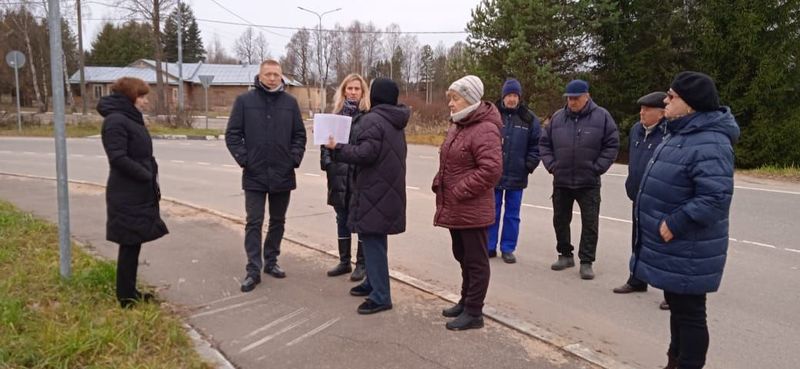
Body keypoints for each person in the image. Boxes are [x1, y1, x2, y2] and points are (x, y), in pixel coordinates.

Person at [632, 72, 739, 369]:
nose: (666, 101)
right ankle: (673, 363)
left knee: (690, 314)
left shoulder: (711, 142)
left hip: (689, 245)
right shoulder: (682, 132)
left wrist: (675, 223)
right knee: (678, 309)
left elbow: (715, 197)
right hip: (676, 246)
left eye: (672, 96)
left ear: (690, 105)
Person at [324, 77, 409, 315]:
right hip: (385, 190)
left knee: (373, 244)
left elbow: (366, 153)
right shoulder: (394, 119)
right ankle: (372, 283)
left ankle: (381, 296)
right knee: (375, 242)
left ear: (377, 95)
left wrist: (337, 148)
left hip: (375, 191)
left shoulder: (374, 119)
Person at [225, 59, 307, 293]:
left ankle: (271, 261)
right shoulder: (244, 101)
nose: (272, 78)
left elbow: (299, 135)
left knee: (278, 221)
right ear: (260, 76)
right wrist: (245, 159)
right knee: (254, 221)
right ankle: (253, 269)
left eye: (276, 74)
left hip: (283, 173)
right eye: (268, 74)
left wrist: (293, 158)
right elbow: (232, 135)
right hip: (255, 173)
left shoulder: (290, 103)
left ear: (282, 77)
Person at [433, 75, 502, 330]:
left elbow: (491, 169)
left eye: (455, 98)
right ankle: (465, 301)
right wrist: (439, 180)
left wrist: (460, 189)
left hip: (472, 208)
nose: (450, 104)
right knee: (462, 255)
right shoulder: (458, 125)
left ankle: (475, 312)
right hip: (456, 206)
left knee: (476, 260)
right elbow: (450, 161)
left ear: (470, 99)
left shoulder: (485, 128)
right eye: (450, 98)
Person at [98, 77, 169, 308]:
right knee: (129, 243)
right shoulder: (116, 121)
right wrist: (144, 174)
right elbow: (117, 157)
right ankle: (126, 298)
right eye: (142, 96)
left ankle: (129, 292)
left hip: (137, 190)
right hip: (126, 192)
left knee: (134, 242)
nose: (145, 101)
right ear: (130, 97)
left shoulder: (129, 118)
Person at [539, 79, 619, 280]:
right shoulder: (557, 118)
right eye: (569, 99)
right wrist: (552, 166)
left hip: (588, 182)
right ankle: (565, 254)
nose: (572, 102)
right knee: (560, 220)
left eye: (576, 98)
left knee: (590, 223)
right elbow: (544, 144)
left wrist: (597, 168)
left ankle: (586, 261)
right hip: (562, 180)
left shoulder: (602, 117)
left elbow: (612, 144)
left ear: (587, 96)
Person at [612, 91, 670, 310]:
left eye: (647, 109)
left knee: (662, 244)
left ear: (662, 113)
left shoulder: (668, 133)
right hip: (639, 195)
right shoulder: (637, 130)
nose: (642, 113)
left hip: (660, 198)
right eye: (641, 109)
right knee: (638, 239)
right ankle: (637, 279)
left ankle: (670, 292)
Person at [321, 74, 369, 281]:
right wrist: (329, 165)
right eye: (349, 88)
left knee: (359, 220)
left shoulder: (367, 116)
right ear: (343, 91)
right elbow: (324, 145)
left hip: (358, 175)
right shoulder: (335, 115)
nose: (353, 92)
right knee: (341, 218)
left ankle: (362, 264)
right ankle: (343, 261)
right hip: (338, 175)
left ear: (363, 92)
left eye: (357, 89)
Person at [489, 78, 541, 264]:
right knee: (491, 211)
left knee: (512, 214)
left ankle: (508, 248)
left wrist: (529, 165)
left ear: (519, 97)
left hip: (517, 174)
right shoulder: (492, 114)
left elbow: (537, 145)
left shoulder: (529, 118)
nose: (511, 99)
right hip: (493, 173)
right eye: (509, 95)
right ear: (503, 96)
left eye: (514, 96)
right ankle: (489, 245)